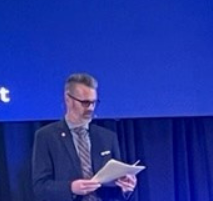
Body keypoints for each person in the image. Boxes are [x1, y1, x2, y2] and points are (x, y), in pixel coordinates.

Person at [32, 73, 137, 201]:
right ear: (68, 99)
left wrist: (125, 187)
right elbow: (40, 187)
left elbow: (115, 188)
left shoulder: (107, 137)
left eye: (94, 102)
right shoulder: (47, 136)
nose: (91, 108)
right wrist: (70, 188)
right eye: (85, 102)